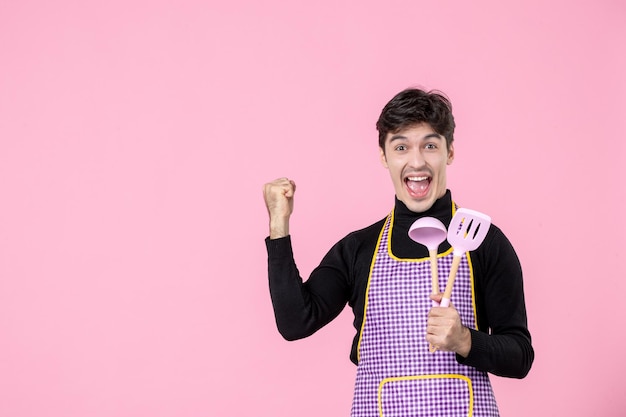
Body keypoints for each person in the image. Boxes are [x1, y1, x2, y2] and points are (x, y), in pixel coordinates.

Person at [263, 88, 533, 417]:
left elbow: (520, 356)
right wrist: (279, 224)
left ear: (449, 152)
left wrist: (465, 340)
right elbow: (295, 323)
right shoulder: (357, 249)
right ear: (384, 155)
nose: (417, 161)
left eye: (430, 145)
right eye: (401, 147)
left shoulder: (484, 243)